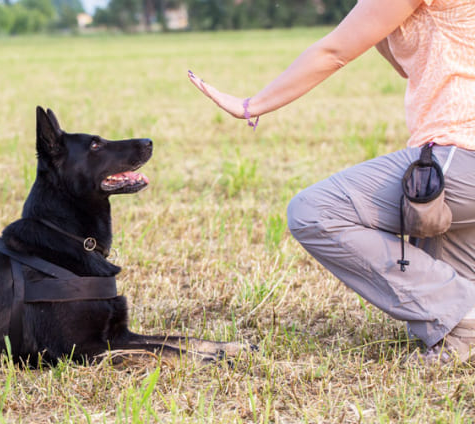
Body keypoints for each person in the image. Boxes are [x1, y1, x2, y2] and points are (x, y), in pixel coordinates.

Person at [189, 0, 475, 364]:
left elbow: (335, 51)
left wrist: (251, 105)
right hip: (461, 158)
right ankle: (463, 329)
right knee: (452, 310)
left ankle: (463, 309)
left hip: (460, 151)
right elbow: (403, 62)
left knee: (314, 211)